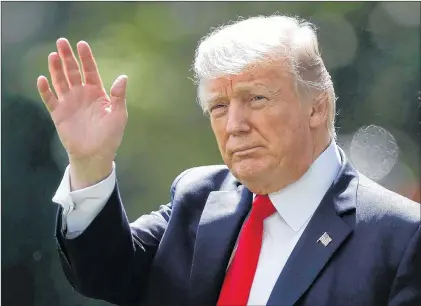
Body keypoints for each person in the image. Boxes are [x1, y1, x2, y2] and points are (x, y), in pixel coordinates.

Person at [38, 15, 420, 306]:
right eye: (219, 106)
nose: (235, 125)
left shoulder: (401, 237)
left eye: (256, 99)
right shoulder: (198, 198)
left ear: (316, 108)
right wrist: (90, 163)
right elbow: (104, 275)